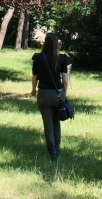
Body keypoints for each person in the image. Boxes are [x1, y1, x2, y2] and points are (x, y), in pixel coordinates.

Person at [30, 32, 70, 163]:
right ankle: (57, 149)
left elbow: (35, 77)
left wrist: (33, 90)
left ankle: (52, 153)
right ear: (56, 43)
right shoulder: (62, 58)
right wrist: (64, 94)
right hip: (58, 93)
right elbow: (65, 80)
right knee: (56, 121)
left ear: (45, 43)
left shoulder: (38, 57)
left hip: (44, 93)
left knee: (48, 125)